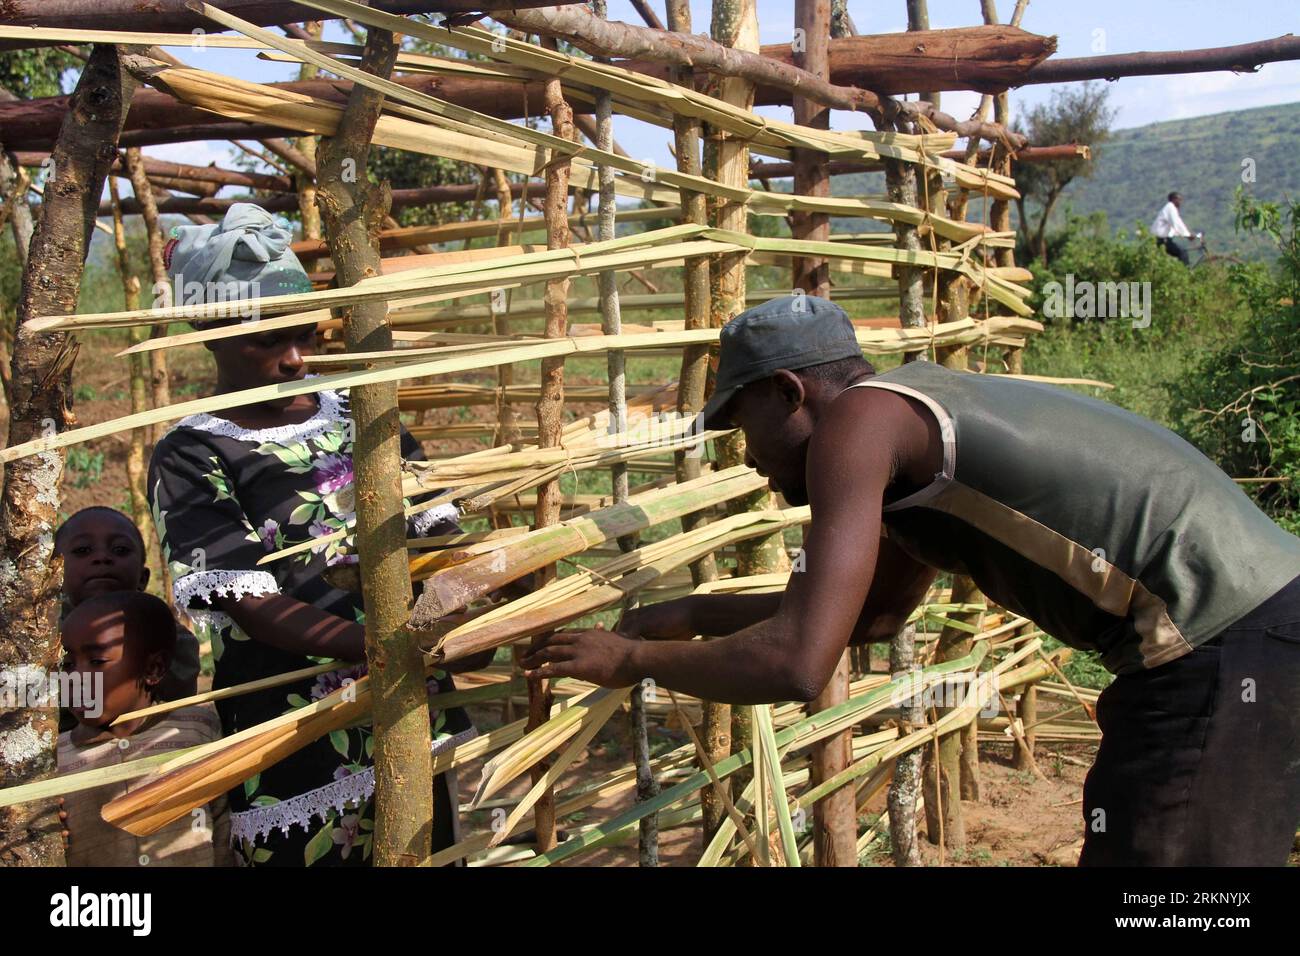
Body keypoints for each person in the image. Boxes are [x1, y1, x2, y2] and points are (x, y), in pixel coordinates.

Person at [522, 295, 1300, 866]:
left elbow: (799, 663)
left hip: (1221, 649)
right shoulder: (910, 423)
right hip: (1261, 631)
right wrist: (692, 612)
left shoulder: (858, 426)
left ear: (790, 394)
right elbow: (874, 618)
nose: (747, 457)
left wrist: (629, 664)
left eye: (742, 423)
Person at [148, 203, 489, 867]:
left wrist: (465, 607)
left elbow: (436, 533)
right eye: (265, 341)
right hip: (293, 727)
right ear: (207, 332)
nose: (294, 357)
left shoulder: (359, 406)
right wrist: (384, 647)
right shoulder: (190, 450)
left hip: (406, 705)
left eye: (301, 332)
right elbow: (246, 599)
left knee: (423, 846)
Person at [57, 591, 232, 867]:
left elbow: (225, 826)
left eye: (96, 662)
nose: (75, 678)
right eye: (67, 664)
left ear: (153, 669)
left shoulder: (197, 730)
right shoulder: (55, 761)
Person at [55, 505, 200, 702]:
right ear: (54, 576)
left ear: (142, 578)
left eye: (120, 550)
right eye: (83, 550)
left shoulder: (171, 640)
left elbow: (177, 709)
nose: (102, 558)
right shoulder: (35, 638)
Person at [1151, 191, 1195, 265]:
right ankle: (1186, 274)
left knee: (1176, 253)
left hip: (1161, 239)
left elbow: (1177, 223)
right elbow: (1176, 223)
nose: (1180, 202)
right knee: (1182, 252)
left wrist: (1187, 234)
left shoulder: (1169, 208)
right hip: (1162, 240)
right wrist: (1188, 235)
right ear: (1173, 199)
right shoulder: (1170, 207)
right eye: (1179, 200)